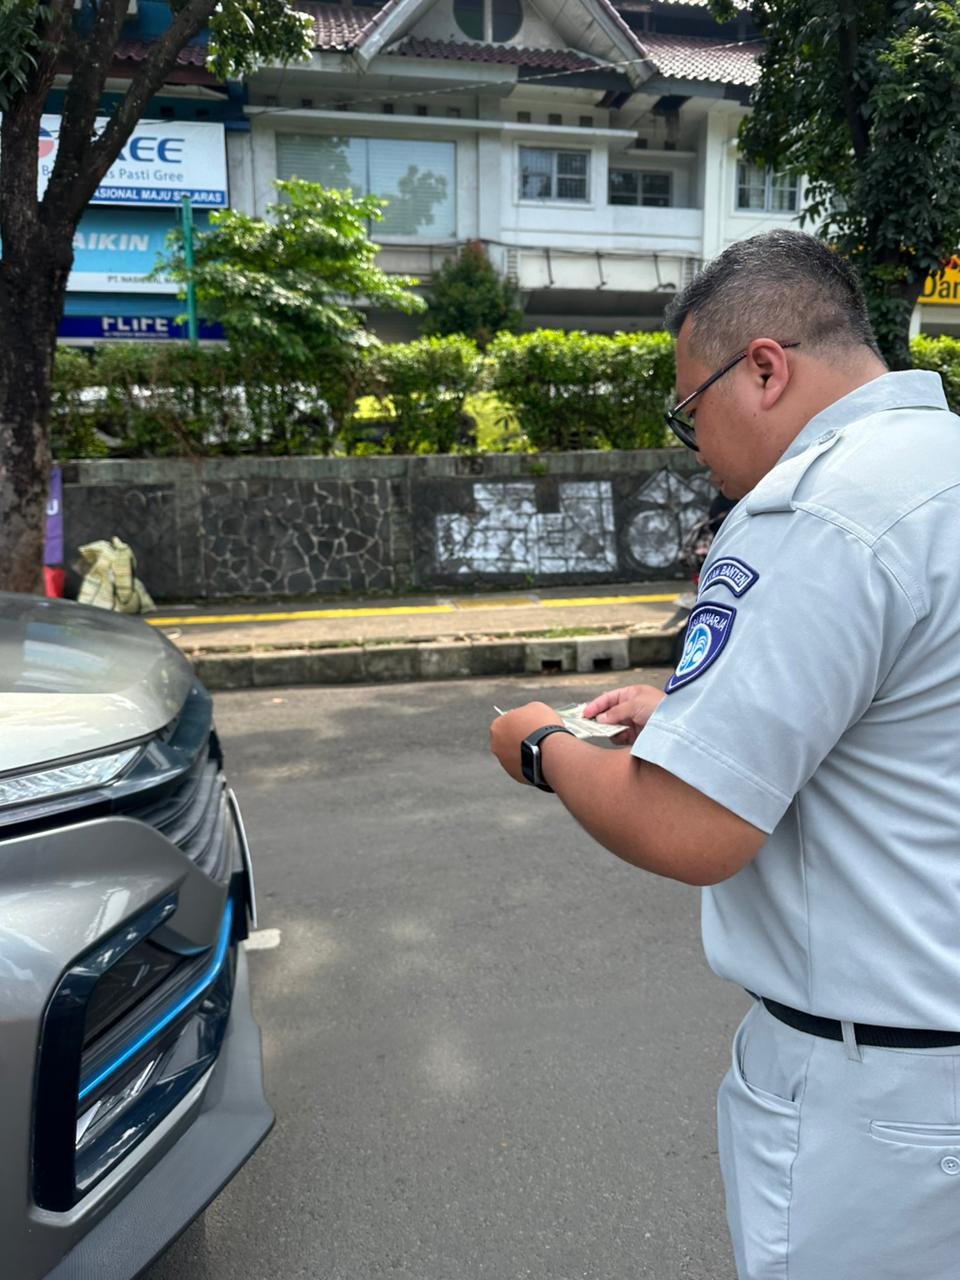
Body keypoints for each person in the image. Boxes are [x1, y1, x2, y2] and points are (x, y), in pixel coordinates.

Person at [489, 228, 960, 1280]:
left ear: (763, 368)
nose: (692, 443)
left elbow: (686, 825)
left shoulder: (812, 510)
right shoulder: (942, 471)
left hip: (877, 1103)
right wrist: (696, 717)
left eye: (687, 407)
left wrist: (541, 745)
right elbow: (910, 727)